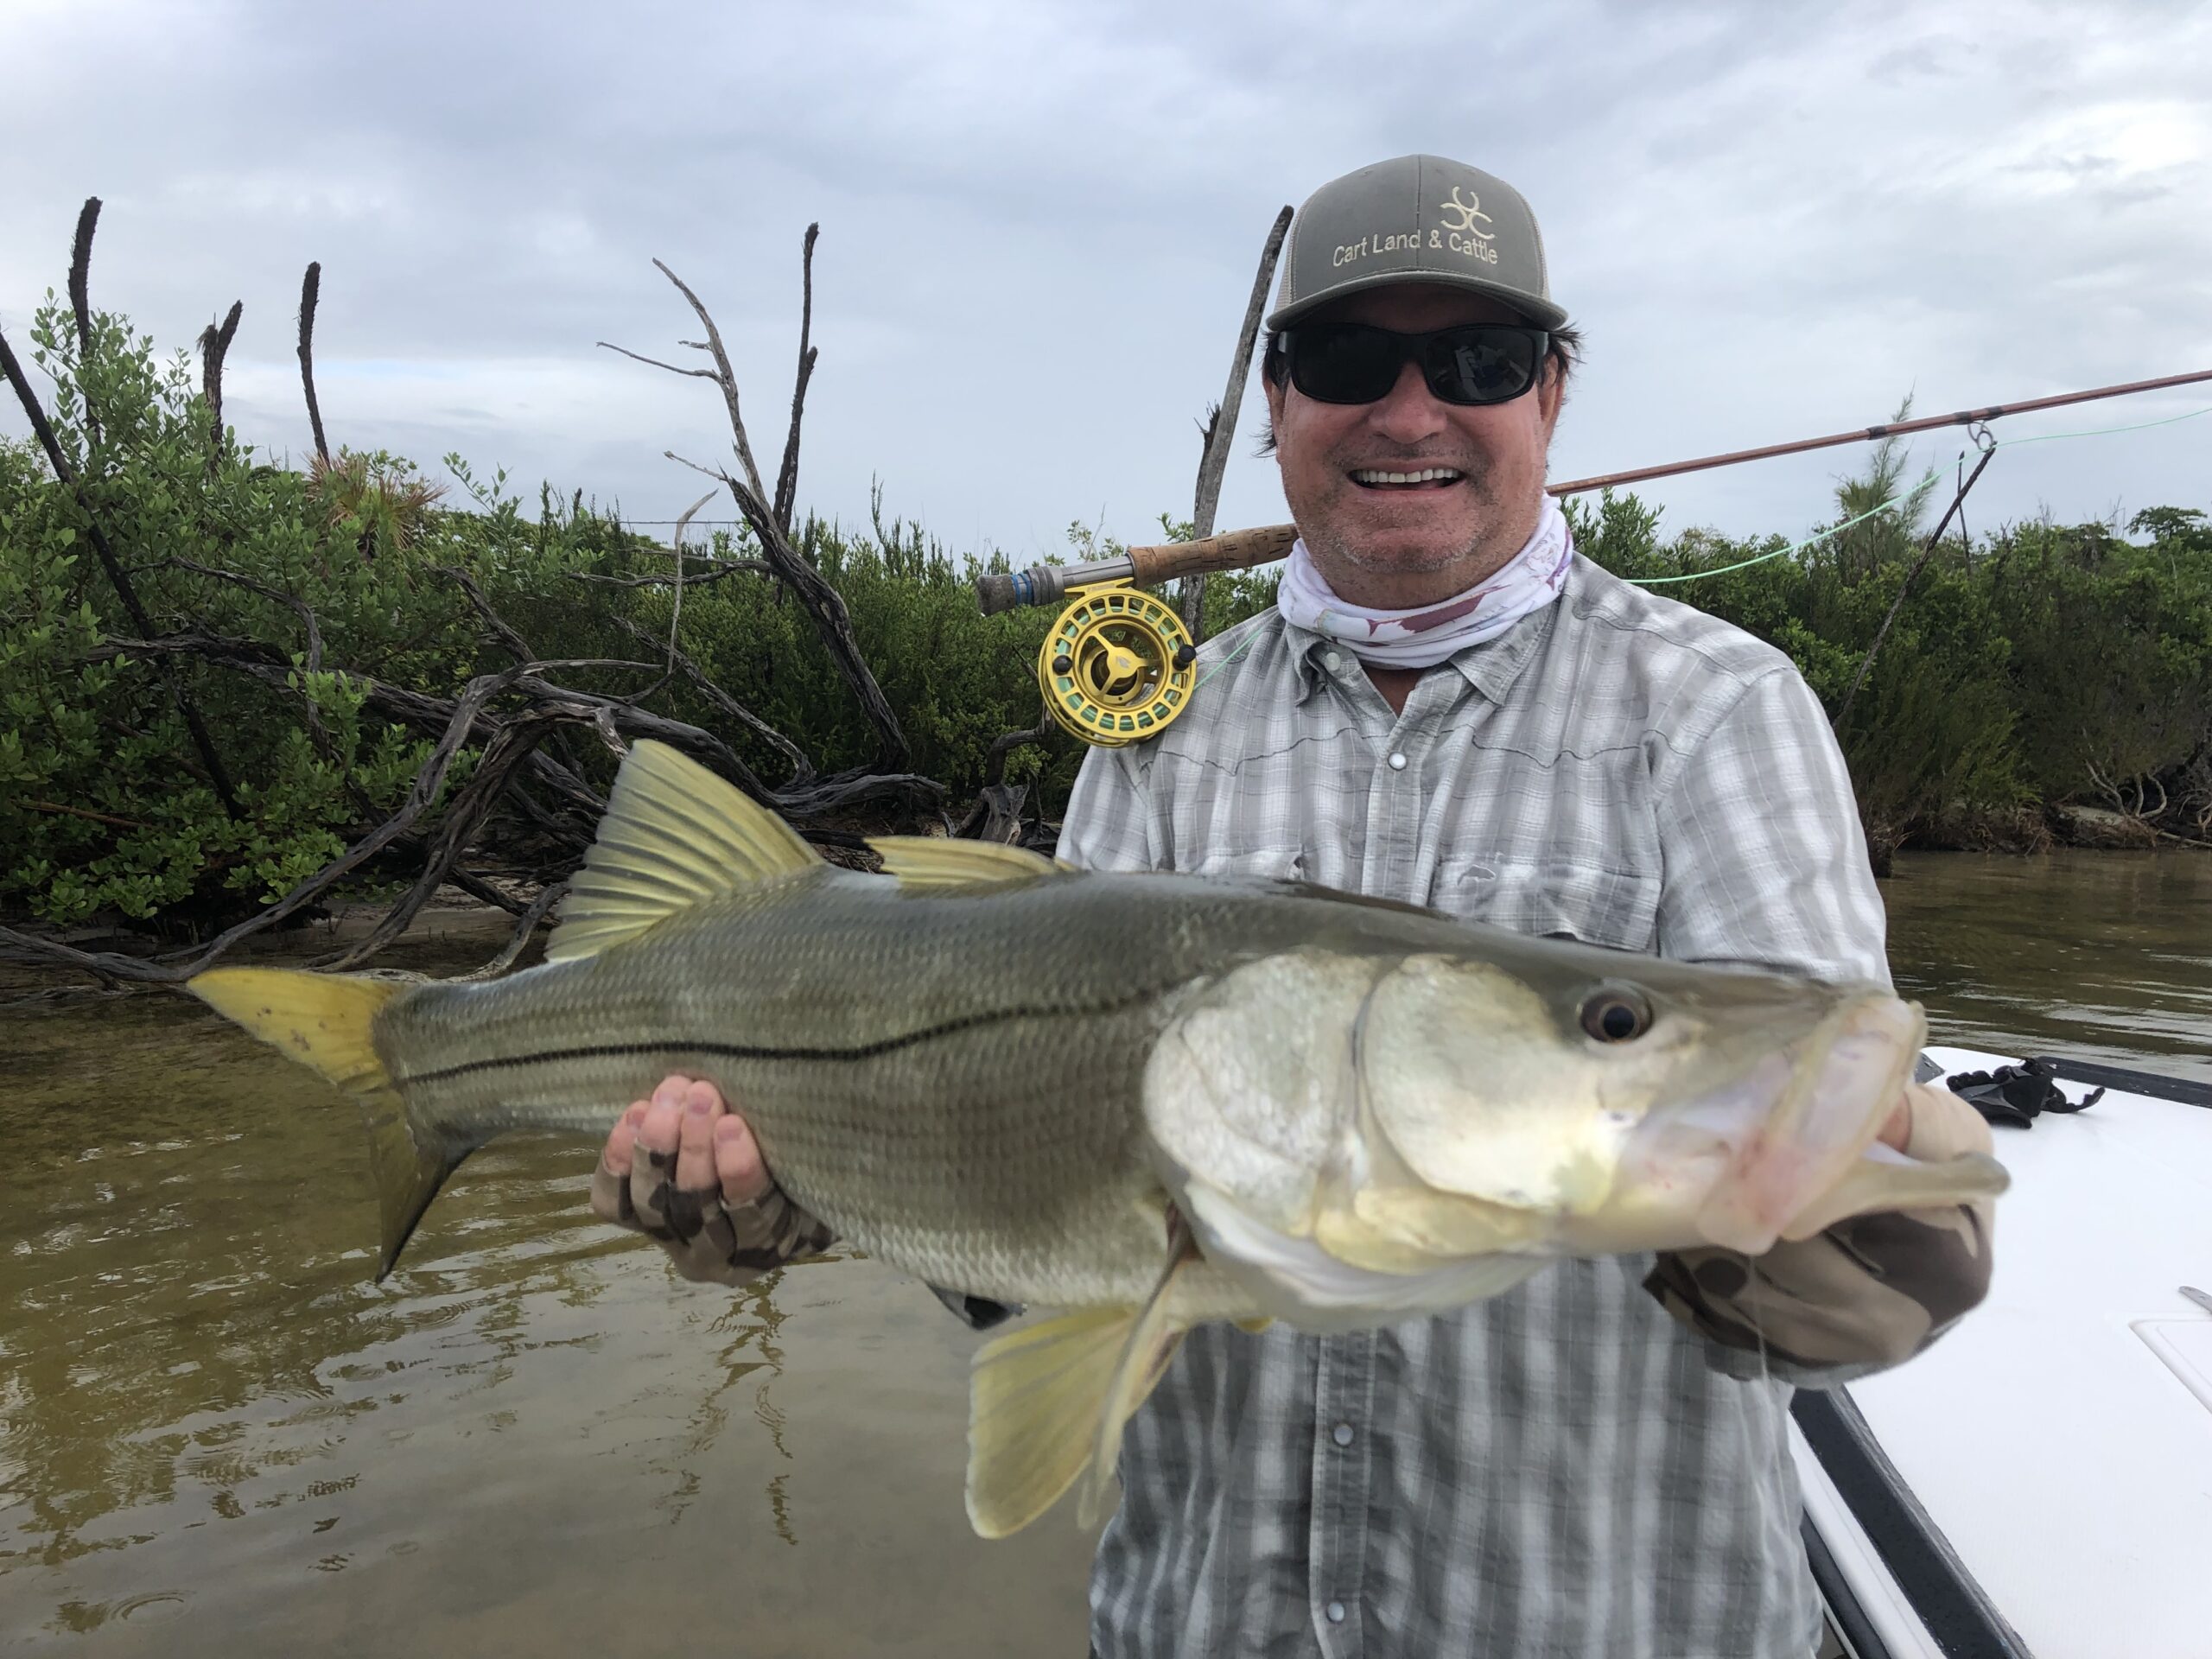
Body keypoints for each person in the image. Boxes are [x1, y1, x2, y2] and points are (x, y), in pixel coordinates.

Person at [590, 154, 1998, 1658]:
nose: (1409, 412)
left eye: (1478, 359)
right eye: (1344, 359)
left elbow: (1823, 1294)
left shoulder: (1721, 711)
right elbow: (1050, 1225)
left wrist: (1859, 1220)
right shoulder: (1162, 731)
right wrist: (800, 1191)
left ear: (1553, 394)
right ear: (1276, 399)